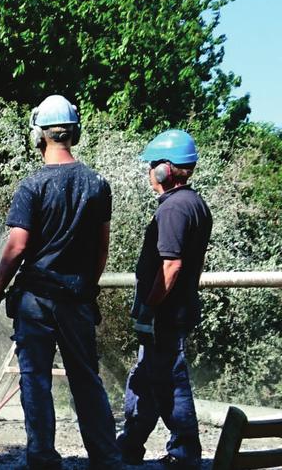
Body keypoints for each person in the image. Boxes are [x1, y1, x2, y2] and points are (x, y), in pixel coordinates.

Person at [0, 94, 122, 470]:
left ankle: (43, 458)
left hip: (36, 301)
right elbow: (101, 248)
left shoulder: (32, 186)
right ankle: (106, 458)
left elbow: (17, 246)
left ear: (39, 136)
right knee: (86, 380)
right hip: (76, 298)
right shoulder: (97, 184)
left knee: (36, 381)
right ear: (73, 134)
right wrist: (87, 290)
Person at [117, 130, 211, 469]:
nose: (149, 172)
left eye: (153, 165)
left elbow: (171, 266)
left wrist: (150, 307)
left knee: (171, 383)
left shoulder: (173, 209)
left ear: (165, 170)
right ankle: (129, 444)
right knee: (146, 379)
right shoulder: (194, 203)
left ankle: (185, 454)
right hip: (174, 312)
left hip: (164, 315)